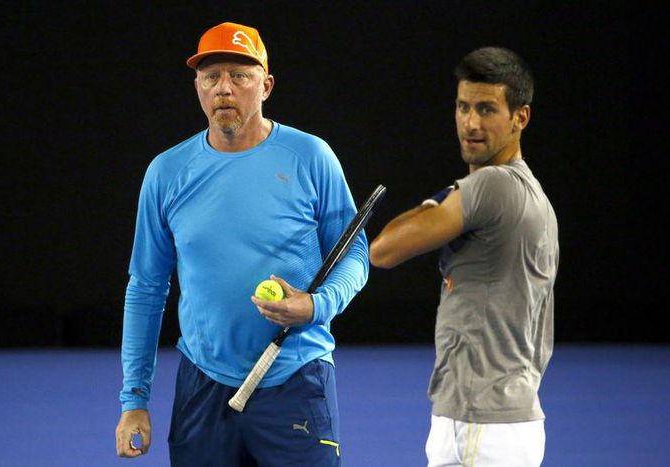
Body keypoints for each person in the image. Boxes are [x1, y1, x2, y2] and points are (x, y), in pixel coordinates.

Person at [114, 22, 368, 466]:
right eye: (211, 77)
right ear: (197, 86)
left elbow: (353, 254)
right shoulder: (167, 172)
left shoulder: (311, 157)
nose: (224, 89)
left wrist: (316, 305)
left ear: (265, 86)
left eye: (239, 75)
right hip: (203, 384)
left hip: (297, 378)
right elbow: (146, 288)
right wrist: (134, 399)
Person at [370, 47, 559, 467]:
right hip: (505, 423)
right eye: (463, 107)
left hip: (480, 428)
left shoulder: (493, 186)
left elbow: (383, 250)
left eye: (487, 109)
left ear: (519, 118)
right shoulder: (533, 197)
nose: (471, 123)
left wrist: (445, 199)